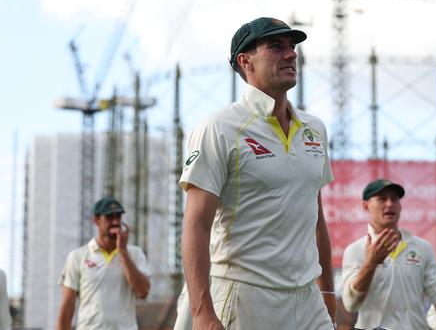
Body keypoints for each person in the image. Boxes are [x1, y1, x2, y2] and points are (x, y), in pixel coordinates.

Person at [174, 17, 336, 330]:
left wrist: (327, 292)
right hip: (244, 296)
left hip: (307, 302)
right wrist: (201, 312)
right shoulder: (218, 128)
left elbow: (316, 218)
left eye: (292, 47)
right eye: (276, 46)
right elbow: (195, 225)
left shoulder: (315, 129)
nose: (291, 54)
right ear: (244, 61)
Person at [341, 179, 436, 330]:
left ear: (400, 207)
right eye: (382, 199)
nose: (389, 204)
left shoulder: (422, 248)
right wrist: (371, 263)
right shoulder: (355, 250)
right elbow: (351, 304)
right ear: (366, 206)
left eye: (394, 199)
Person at [56, 197, 151, 330]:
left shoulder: (135, 254)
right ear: (96, 220)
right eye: (109, 217)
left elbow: (143, 292)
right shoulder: (77, 256)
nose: (115, 222)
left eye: (118, 217)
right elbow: (67, 306)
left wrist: (123, 252)